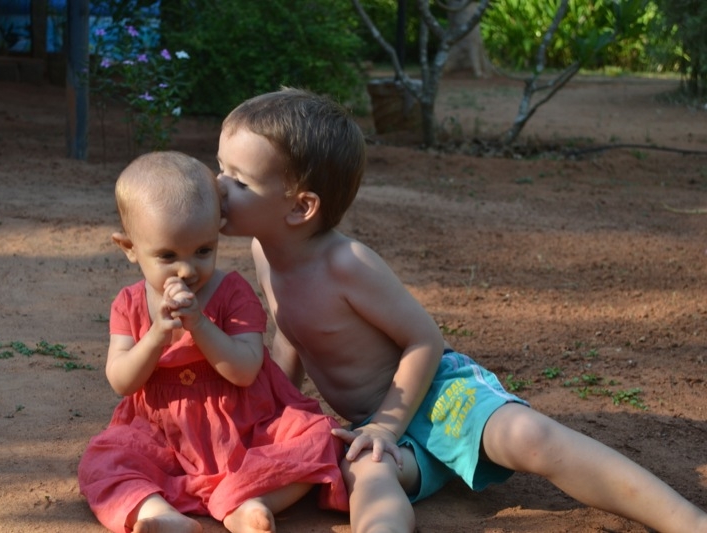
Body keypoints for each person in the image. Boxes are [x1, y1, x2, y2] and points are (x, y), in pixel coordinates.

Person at [215, 88, 707, 533]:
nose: (217, 185)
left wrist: (388, 422)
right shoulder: (265, 254)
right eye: (220, 168)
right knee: (367, 473)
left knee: (530, 436)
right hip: (375, 424)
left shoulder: (346, 263)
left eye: (238, 180)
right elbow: (294, 334)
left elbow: (423, 339)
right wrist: (272, 415)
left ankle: (688, 522)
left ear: (300, 207)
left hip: (440, 397)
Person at [78, 151, 348, 533]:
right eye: (168, 255)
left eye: (203, 251)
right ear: (130, 248)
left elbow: (245, 370)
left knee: (320, 439)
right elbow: (122, 380)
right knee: (103, 460)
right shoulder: (130, 304)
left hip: (245, 430)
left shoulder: (232, 292)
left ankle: (249, 502)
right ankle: (157, 513)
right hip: (163, 436)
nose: (188, 269)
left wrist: (200, 326)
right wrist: (156, 336)